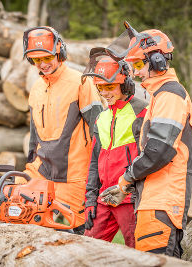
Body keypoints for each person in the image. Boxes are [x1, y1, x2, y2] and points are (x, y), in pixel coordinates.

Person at [100, 27, 192, 257]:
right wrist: (127, 187)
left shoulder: (170, 95)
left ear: (157, 61)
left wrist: (125, 179)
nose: (136, 73)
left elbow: (158, 151)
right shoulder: (159, 96)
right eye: (134, 67)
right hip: (153, 201)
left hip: (163, 203)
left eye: (140, 66)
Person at [22, 26, 103, 234]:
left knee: (77, 238)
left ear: (59, 52)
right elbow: (34, 138)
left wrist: (97, 177)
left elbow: (100, 131)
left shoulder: (80, 82)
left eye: (47, 58)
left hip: (75, 177)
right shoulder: (37, 88)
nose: (43, 64)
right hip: (42, 174)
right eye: (37, 60)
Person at [81, 49, 147, 247]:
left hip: (129, 197)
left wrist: (135, 193)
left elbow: (149, 157)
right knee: (87, 248)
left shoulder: (141, 112)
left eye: (110, 86)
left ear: (125, 84)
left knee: (137, 252)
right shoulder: (102, 117)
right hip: (104, 198)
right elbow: (94, 162)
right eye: (100, 87)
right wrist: (91, 199)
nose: (105, 93)